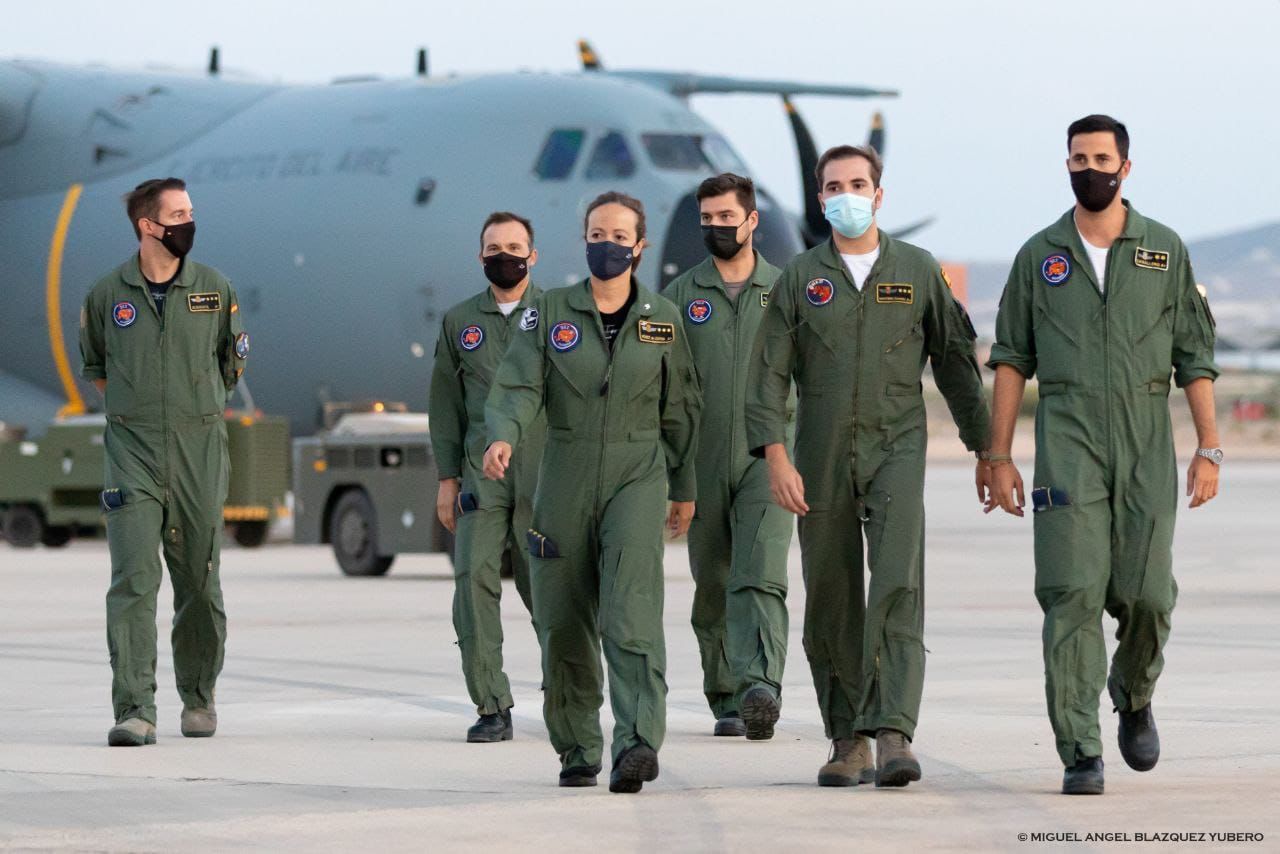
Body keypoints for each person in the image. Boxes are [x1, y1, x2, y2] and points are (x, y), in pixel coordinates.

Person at [985, 114, 1221, 796]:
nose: (1089, 168)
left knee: (1147, 596)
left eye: (1100, 157)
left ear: (1126, 165)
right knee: (1072, 595)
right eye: (1077, 158)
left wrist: (1209, 449)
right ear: (1066, 164)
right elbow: (1009, 361)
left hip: (1147, 440)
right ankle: (1080, 749)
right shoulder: (1040, 257)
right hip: (1067, 442)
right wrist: (997, 456)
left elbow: (1194, 359)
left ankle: (1134, 690)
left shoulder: (1164, 252)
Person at [745, 145, 990, 787]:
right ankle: (846, 738)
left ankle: (893, 732)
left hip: (898, 445)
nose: (845, 194)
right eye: (833, 186)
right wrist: (774, 454)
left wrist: (986, 448)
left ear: (879, 195)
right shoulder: (799, 278)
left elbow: (957, 363)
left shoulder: (918, 269)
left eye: (858, 183)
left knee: (897, 585)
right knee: (830, 593)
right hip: (818, 451)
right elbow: (767, 373)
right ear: (821, 198)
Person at [482, 191, 701, 793]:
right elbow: (517, 385)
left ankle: (636, 741)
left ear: (640, 245)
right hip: (564, 475)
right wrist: (502, 436)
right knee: (563, 622)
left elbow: (680, 406)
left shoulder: (663, 320)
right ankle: (577, 746)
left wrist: (684, 485)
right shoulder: (548, 312)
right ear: (583, 239)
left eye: (618, 235)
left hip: (638, 472)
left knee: (631, 614)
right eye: (595, 233)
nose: (606, 244)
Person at [79, 177, 246, 746]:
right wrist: (143, 411)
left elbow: (231, 366)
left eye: (190, 211)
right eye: (177, 214)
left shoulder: (215, 289)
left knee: (199, 581)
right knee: (133, 579)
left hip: (200, 448)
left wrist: (191, 409)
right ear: (148, 226)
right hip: (133, 450)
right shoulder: (108, 295)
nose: (188, 222)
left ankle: (198, 698)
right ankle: (135, 710)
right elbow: (98, 370)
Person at [663, 173, 792, 740]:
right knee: (712, 581)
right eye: (707, 219)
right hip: (700, 459)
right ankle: (727, 697)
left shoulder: (787, 292)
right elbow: (660, 388)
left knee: (759, 573)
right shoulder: (679, 298)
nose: (716, 228)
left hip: (769, 456)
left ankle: (761, 683)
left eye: (725, 217)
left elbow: (811, 379)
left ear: (751, 220)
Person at [428, 211, 546, 743]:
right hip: (481, 476)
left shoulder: (558, 314)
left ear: (533, 256)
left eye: (515, 247)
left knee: (551, 591)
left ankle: (569, 695)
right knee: (472, 587)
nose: (505, 255)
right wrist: (447, 479)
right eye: (494, 247)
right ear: (480, 256)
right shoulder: (460, 324)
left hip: (545, 475)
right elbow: (445, 406)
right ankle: (491, 705)